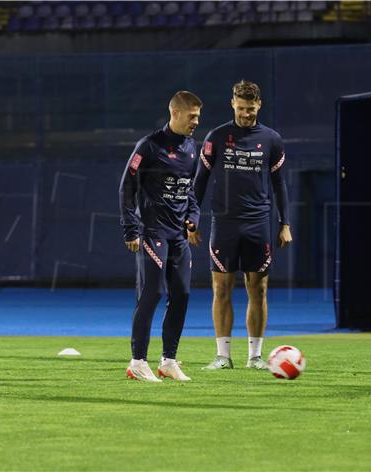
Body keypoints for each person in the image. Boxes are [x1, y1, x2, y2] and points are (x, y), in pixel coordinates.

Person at [193, 80, 292, 370]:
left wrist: (284, 223)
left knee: (258, 290)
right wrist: (192, 218)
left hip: (258, 223)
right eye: (241, 108)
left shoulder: (272, 139)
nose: (246, 114)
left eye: (250, 109)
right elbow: (200, 180)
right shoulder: (217, 137)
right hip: (224, 224)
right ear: (232, 104)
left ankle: (255, 357)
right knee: (221, 288)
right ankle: (223, 356)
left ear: (259, 105)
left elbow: (279, 184)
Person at [119, 90, 202, 382]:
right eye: (192, 116)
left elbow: (189, 191)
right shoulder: (150, 146)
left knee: (182, 295)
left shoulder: (193, 149)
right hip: (152, 232)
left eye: (198, 117)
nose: (196, 122)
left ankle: (168, 360)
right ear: (175, 113)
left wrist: (193, 217)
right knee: (151, 294)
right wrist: (131, 228)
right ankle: (137, 361)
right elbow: (127, 187)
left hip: (179, 237)